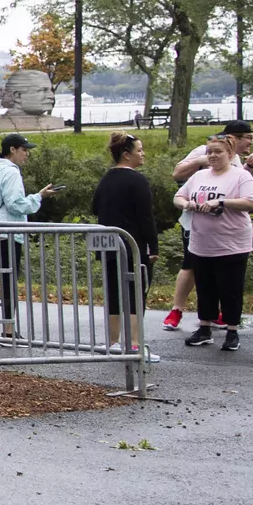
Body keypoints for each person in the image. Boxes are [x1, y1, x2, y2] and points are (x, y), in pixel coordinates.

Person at [163, 122, 253, 332]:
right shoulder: (204, 151)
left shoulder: (236, 162)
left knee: (225, 276)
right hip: (196, 224)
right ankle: (177, 310)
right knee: (191, 265)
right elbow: (177, 174)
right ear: (234, 138)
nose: (251, 143)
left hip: (227, 231)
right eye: (248, 138)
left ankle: (223, 318)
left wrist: (248, 169)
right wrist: (202, 160)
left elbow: (237, 188)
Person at [0, 134, 57, 335]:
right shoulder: (11, 172)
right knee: (8, 279)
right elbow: (15, 204)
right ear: (12, 150)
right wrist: (38, 197)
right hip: (8, 232)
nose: (27, 154)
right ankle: (8, 328)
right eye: (24, 149)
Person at [91, 132, 159, 361]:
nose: (143, 154)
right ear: (126, 155)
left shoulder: (106, 179)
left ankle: (112, 342)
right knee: (135, 293)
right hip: (133, 246)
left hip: (108, 245)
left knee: (113, 293)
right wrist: (153, 247)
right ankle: (134, 344)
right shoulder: (137, 180)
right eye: (139, 150)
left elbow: (94, 207)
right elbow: (146, 217)